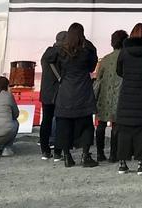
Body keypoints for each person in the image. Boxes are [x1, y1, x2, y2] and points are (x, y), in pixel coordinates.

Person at [54, 22, 99, 167]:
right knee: (86, 124)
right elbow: (92, 67)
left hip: (66, 91)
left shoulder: (61, 51)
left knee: (64, 125)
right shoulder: (87, 50)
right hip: (83, 90)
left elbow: (54, 64)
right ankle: (85, 155)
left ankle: (67, 156)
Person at [115, 22, 142, 174]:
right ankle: (140, 164)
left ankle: (122, 163)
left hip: (126, 94)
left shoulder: (124, 51)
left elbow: (119, 71)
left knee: (124, 130)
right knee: (141, 130)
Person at [94, 29, 125, 163]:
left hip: (104, 95)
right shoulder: (125, 58)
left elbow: (98, 78)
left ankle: (100, 153)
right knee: (116, 125)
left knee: (101, 124)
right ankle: (113, 154)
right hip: (119, 94)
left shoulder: (105, 59)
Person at [38, 30, 65, 161]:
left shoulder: (46, 54)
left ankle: (45, 150)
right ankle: (58, 152)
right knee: (60, 121)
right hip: (59, 92)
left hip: (46, 92)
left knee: (46, 121)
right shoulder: (62, 55)